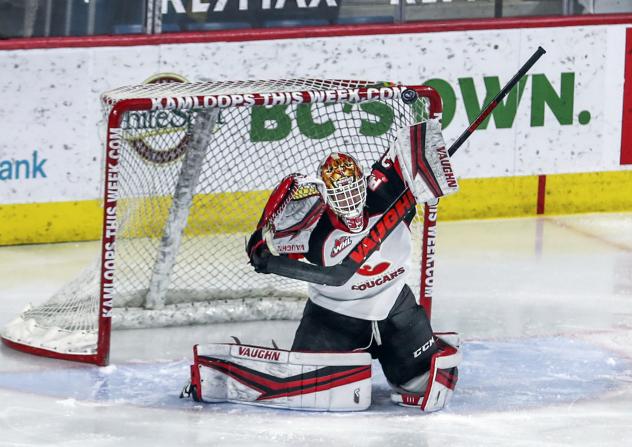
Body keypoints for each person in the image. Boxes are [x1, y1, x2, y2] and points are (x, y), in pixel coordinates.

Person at [246, 150, 461, 411]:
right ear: (326, 194)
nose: (349, 201)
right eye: (339, 194)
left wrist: (424, 159)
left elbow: (415, 150)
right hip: (333, 318)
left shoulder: (389, 195)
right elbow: (269, 246)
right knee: (310, 390)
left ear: (364, 182)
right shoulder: (310, 223)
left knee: (422, 381)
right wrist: (264, 253)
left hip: (395, 307)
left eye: (354, 190)